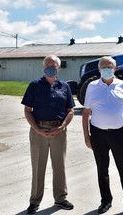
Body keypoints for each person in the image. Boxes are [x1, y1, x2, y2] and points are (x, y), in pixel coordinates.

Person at [82, 56, 123, 215]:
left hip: (119, 134)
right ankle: (106, 201)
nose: (106, 69)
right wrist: (86, 136)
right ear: (99, 69)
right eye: (103, 67)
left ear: (115, 69)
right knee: (102, 169)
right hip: (98, 134)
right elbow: (86, 112)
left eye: (109, 66)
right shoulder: (92, 86)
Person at [21, 55, 75, 214]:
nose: (50, 67)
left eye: (54, 65)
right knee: (38, 166)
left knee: (59, 166)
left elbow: (70, 111)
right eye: (47, 65)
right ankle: (35, 201)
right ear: (43, 67)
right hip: (39, 131)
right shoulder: (35, 85)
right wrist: (37, 129)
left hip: (58, 130)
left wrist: (62, 127)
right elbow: (27, 110)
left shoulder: (64, 86)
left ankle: (60, 199)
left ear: (58, 68)